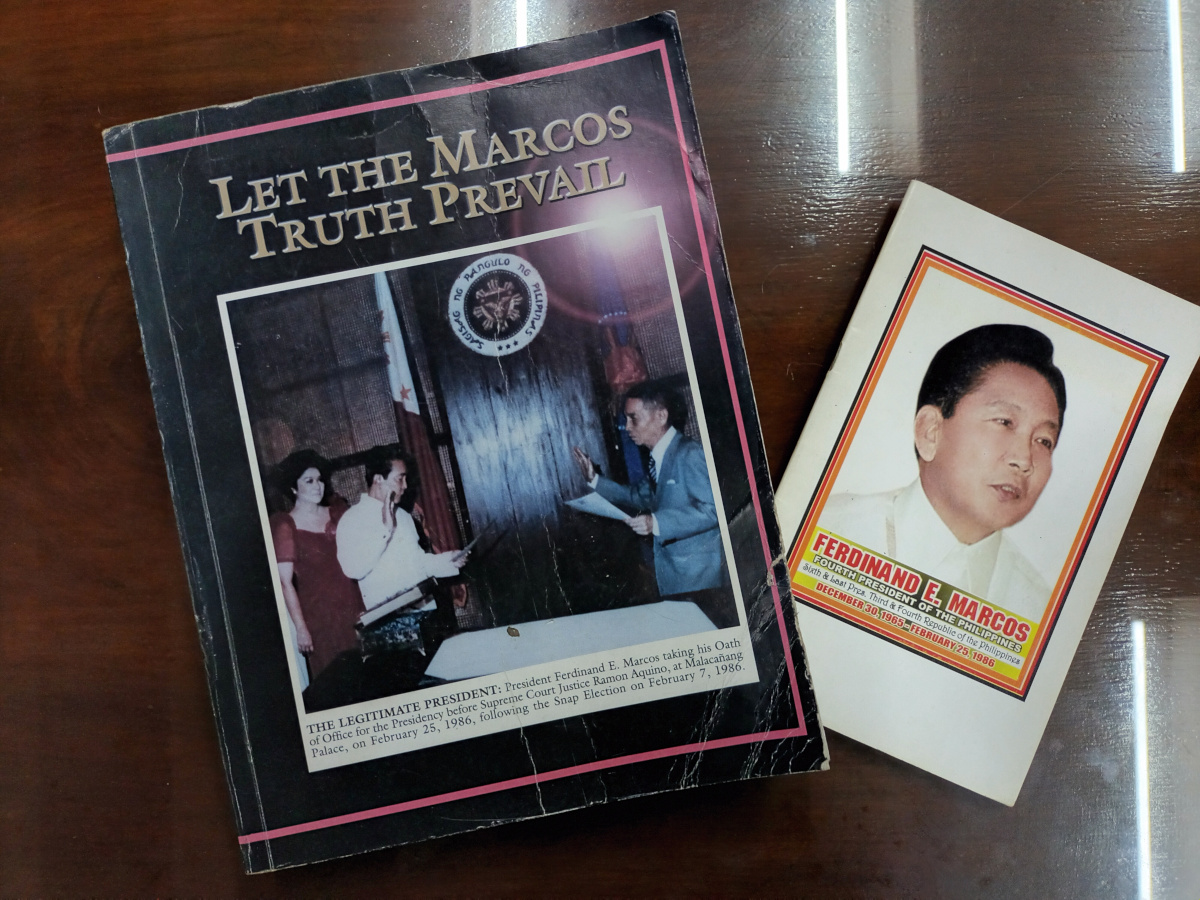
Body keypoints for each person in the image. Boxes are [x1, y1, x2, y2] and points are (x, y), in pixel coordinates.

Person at [821, 323, 1066, 620]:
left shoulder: (1038, 612)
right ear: (930, 432)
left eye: (1043, 441)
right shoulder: (826, 529)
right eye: (1004, 422)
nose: (1024, 460)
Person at [573, 379, 729, 622]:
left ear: (661, 415)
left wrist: (655, 522)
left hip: (699, 577)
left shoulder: (689, 454)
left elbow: (713, 511)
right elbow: (637, 496)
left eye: (633, 418)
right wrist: (595, 480)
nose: (626, 427)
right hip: (675, 574)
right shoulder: (658, 457)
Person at [269, 449, 365, 682]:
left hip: (354, 607)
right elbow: (285, 583)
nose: (317, 486)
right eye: (309, 481)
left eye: (320, 480)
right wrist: (301, 628)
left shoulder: (337, 513)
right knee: (335, 683)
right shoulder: (285, 525)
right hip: (319, 618)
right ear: (293, 488)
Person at [336, 444, 467, 613]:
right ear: (378, 479)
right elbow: (353, 569)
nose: (405, 486)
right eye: (400, 479)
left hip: (424, 609)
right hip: (391, 620)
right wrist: (385, 531)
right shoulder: (352, 520)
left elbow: (418, 563)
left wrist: (449, 560)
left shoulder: (404, 517)